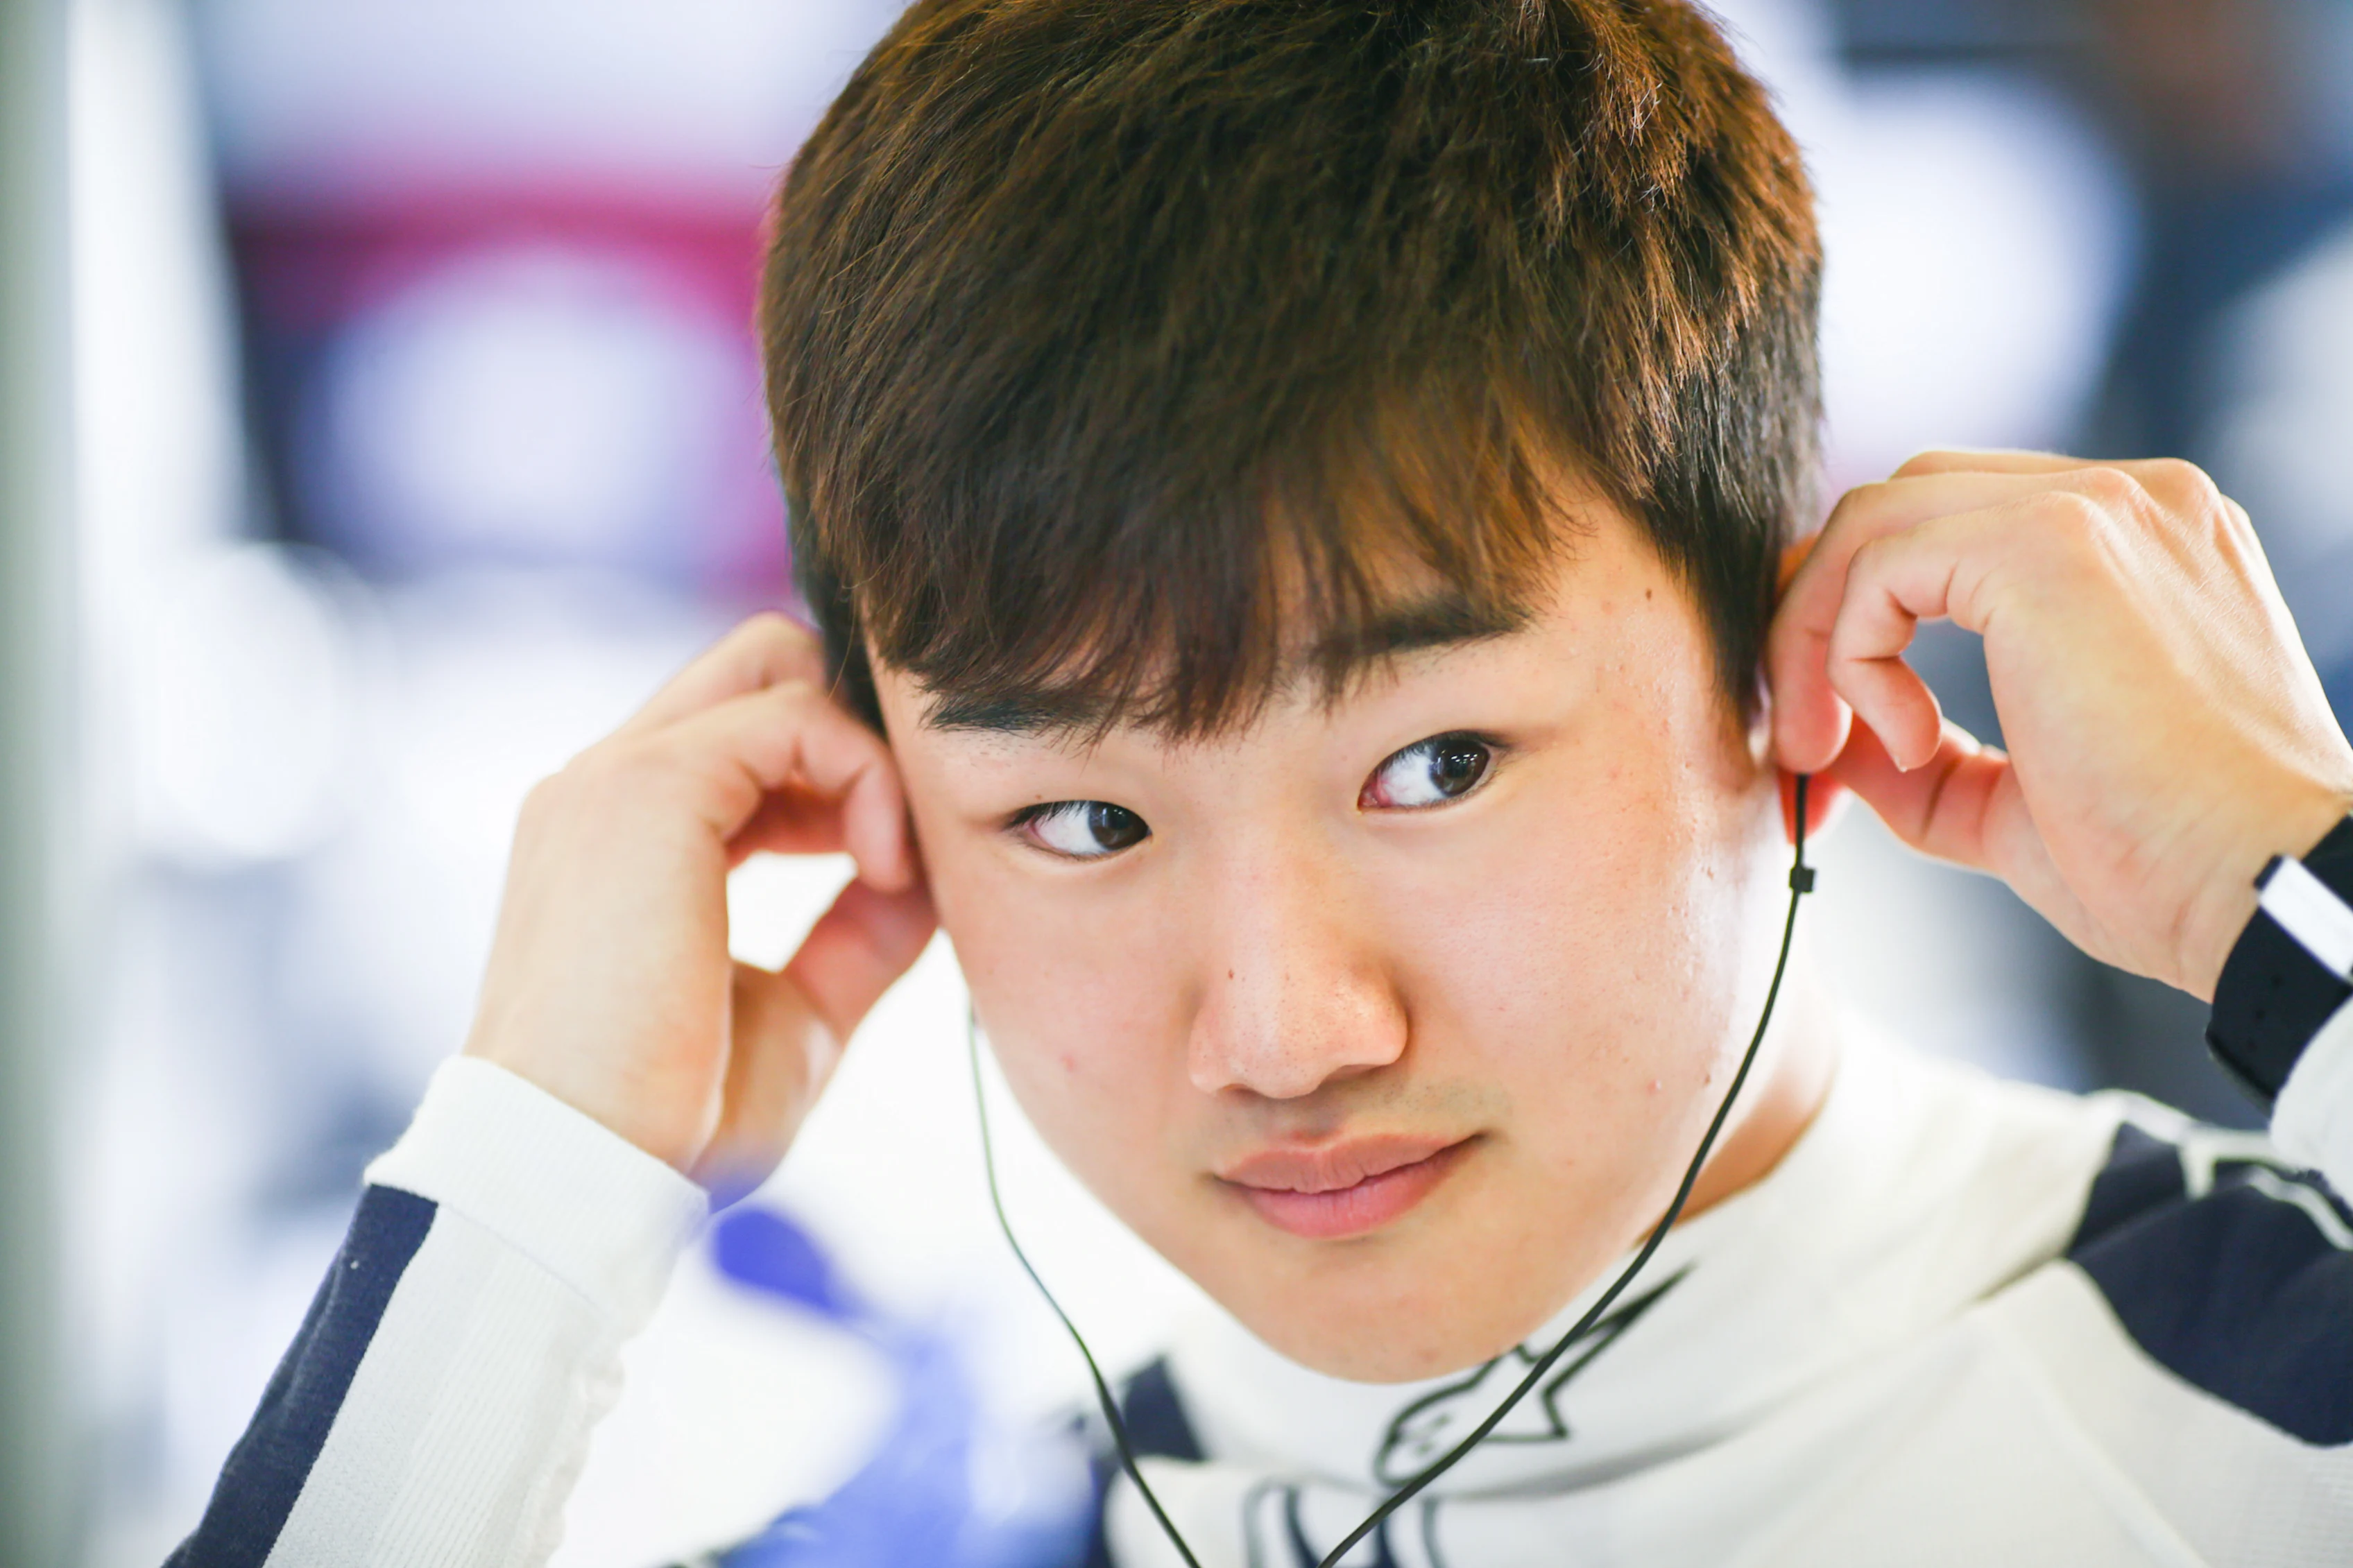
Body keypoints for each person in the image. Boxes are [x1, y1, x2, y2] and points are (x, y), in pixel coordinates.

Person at [170, 1, 2353, 1564]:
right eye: (1087, 820)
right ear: (893, 814)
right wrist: (536, 1175)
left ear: (1789, 678)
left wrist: (2289, 889)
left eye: (1436, 760)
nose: (1293, 1031)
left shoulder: (2268, 1398)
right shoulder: (1019, 1524)